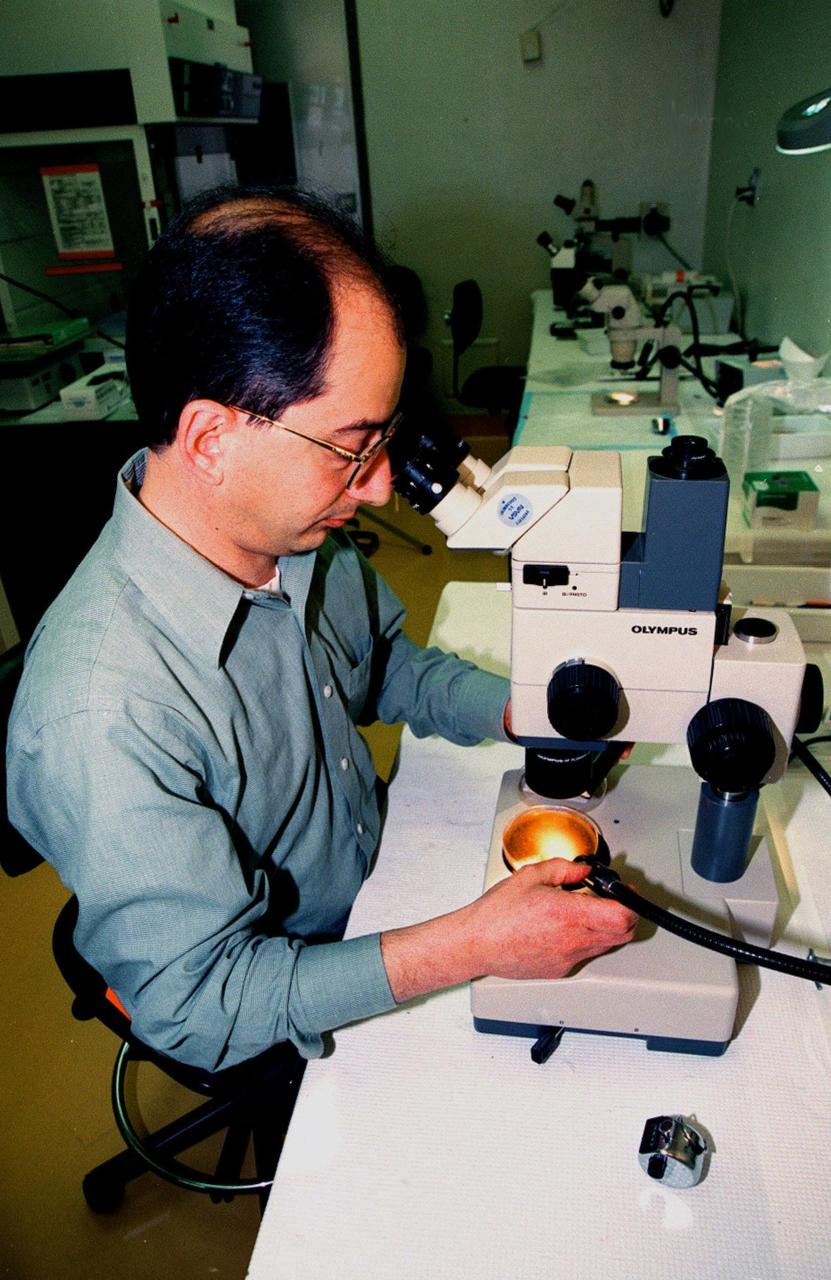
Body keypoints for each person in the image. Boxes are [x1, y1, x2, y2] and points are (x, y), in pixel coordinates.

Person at [6, 186, 636, 1073]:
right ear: (212, 440)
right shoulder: (102, 713)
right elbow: (198, 1007)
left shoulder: (289, 536)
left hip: (380, 877)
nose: (378, 488)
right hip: (287, 984)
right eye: (352, 447)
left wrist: (525, 710)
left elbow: (386, 668)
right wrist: (470, 945)